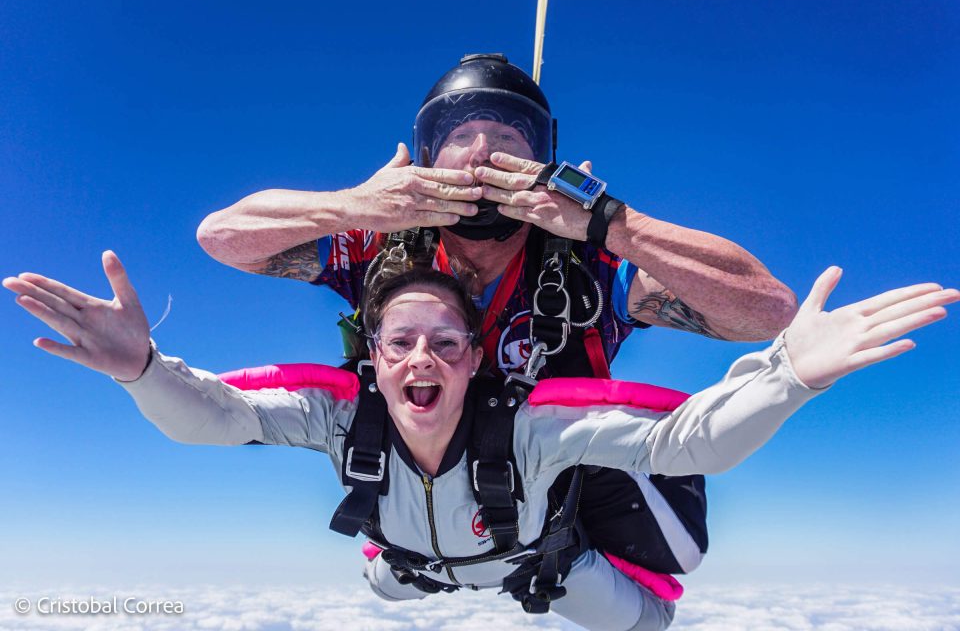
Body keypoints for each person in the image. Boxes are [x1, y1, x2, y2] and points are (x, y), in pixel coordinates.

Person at [4, 251, 956, 630]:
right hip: (408, 565)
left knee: (648, 626)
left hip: (536, 565)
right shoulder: (344, 413)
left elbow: (686, 444)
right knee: (376, 579)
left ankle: (572, 545)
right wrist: (141, 369)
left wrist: (790, 370)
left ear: (472, 361)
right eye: (402, 342)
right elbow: (216, 417)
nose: (425, 358)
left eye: (447, 344)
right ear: (373, 359)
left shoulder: (532, 426)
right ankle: (400, 561)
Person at [195, 53, 799, 574]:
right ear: (428, 155)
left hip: (560, 489)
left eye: (510, 138)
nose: (483, 153)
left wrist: (611, 223)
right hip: (423, 486)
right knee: (395, 568)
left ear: (544, 159)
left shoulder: (590, 262)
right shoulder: (379, 244)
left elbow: (766, 311)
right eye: (460, 137)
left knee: (654, 569)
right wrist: (354, 204)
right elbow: (221, 237)